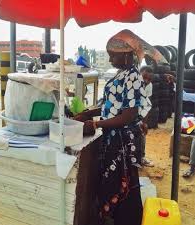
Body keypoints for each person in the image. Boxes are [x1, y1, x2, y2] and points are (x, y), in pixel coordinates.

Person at [75, 30, 151, 225]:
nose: (110, 59)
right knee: (113, 181)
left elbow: (128, 115)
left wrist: (96, 123)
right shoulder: (121, 74)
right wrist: (88, 113)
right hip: (114, 138)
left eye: (112, 55)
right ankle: (116, 218)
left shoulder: (133, 77)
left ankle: (127, 221)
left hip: (124, 142)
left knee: (124, 185)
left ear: (126, 54)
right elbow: (111, 104)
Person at [140, 66, 154, 167]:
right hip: (127, 113)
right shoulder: (132, 82)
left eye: (149, 79)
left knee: (142, 134)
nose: (146, 81)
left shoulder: (149, 86)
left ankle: (141, 157)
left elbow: (147, 105)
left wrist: (144, 123)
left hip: (139, 113)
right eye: (144, 77)